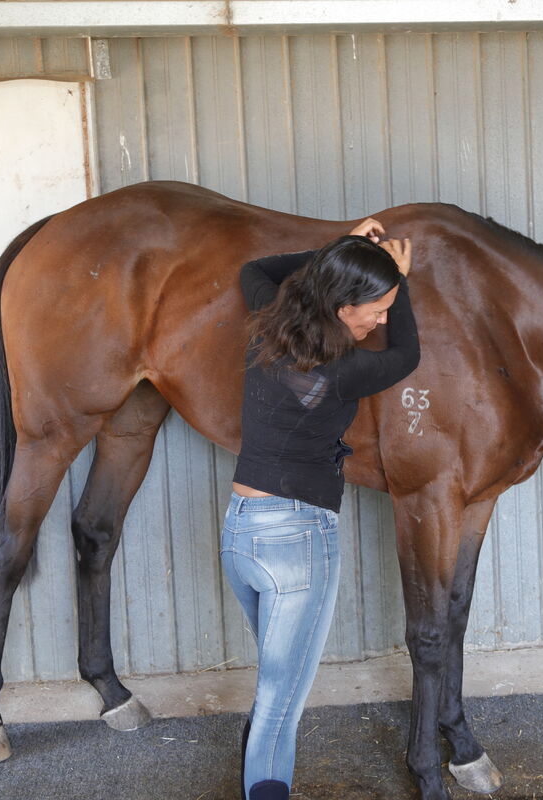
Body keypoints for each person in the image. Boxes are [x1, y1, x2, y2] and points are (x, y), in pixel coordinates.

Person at [221, 219, 419, 800]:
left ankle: (254, 776)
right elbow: (407, 353)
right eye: (376, 309)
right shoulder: (344, 373)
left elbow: (253, 272)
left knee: (274, 688)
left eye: (388, 307)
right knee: (282, 702)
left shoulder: (268, 327)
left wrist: (338, 253)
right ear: (340, 306)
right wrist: (400, 279)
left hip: (241, 534)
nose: (382, 319)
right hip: (297, 542)